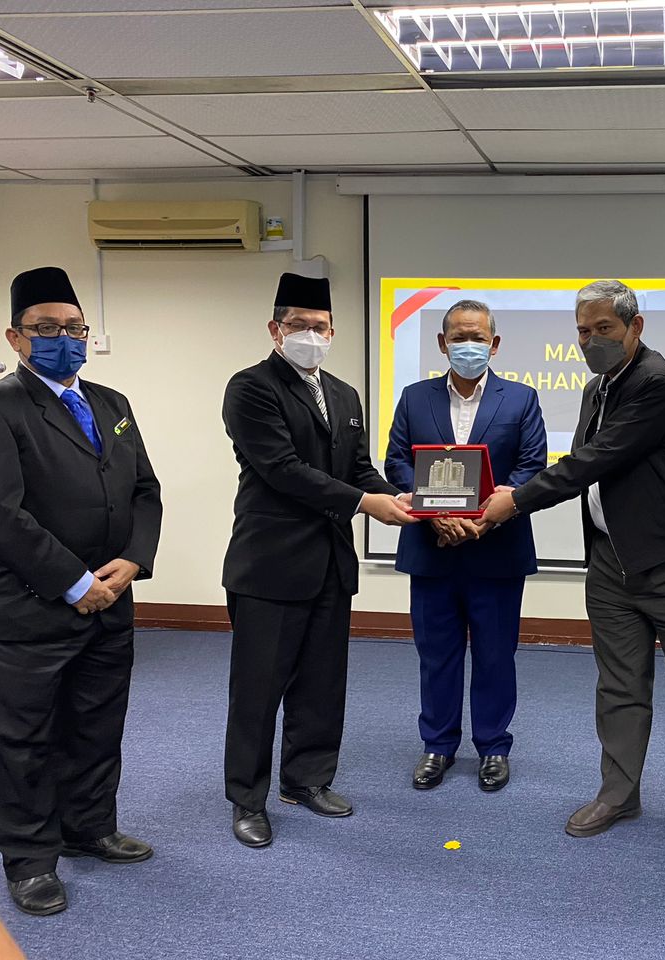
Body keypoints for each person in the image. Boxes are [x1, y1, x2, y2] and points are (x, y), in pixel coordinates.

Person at [480, 280, 665, 861]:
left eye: (604, 329)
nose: (591, 340)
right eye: (583, 331)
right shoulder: (596, 388)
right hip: (611, 562)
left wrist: (515, 501)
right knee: (619, 686)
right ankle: (619, 794)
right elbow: (586, 465)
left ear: (635, 327)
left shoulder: (659, 381)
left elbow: (596, 460)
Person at [0, 266, 162, 917]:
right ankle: (31, 860)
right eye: (46, 328)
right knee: (22, 741)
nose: (63, 339)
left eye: (74, 328)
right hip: (27, 608)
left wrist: (133, 560)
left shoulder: (112, 403)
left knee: (96, 725)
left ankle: (88, 827)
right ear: (15, 337)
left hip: (111, 600)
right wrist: (73, 582)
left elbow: (144, 490)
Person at [221, 272, 416, 848]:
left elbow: (356, 468)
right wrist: (366, 504)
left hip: (330, 562)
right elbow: (282, 470)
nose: (311, 334)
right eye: (299, 325)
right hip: (270, 564)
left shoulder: (344, 394)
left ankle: (306, 779)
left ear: (333, 331)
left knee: (322, 682)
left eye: (321, 326)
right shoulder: (250, 387)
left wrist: (400, 497)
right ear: (275, 329)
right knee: (258, 690)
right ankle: (247, 799)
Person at [384, 299, 547, 792]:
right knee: (436, 654)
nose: (468, 346)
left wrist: (483, 519)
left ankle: (494, 747)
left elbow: (531, 466)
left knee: (496, 655)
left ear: (494, 344)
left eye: (477, 338)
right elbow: (397, 462)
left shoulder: (521, 398)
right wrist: (436, 514)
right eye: (459, 337)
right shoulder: (414, 397)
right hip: (432, 547)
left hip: (496, 550)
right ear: (442, 343)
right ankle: (437, 745)